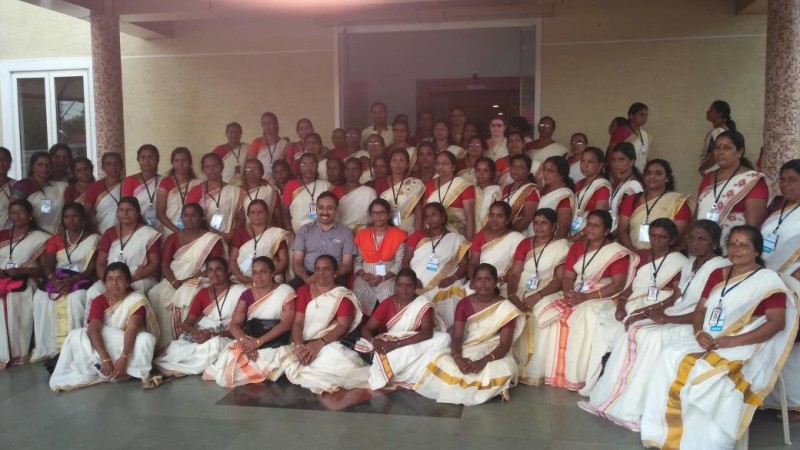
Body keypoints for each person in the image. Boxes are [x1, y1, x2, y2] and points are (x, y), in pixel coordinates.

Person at [640, 225, 797, 449]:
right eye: (732, 244)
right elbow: (700, 311)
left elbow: (776, 323)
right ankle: (662, 431)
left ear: (756, 251)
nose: (736, 249)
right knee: (669, 354)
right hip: (711, 335)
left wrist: (732, 341)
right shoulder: (718, 273)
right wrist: (699, 332)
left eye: (743, 245)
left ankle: (704, 440)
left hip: (747, 341)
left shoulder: (767, 280)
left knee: (705, 372)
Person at [579, 220, 729, 431]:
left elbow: (705, 310)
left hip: (694, 322)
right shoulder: (690, 263)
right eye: (692, 238)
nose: (695, 243)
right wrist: (647, 311)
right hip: (676, 313)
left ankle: (634, 409)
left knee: (650, 337)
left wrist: (666, 319)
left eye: (702, 239)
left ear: (714, 243)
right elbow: (675, 298)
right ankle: (609, 398)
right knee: (633, 329)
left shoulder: (720, 268)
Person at [580, 218, 687, 395]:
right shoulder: (641, 257)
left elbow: (676, 295)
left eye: (662, 237)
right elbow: (630, 287)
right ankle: (596, 382)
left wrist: (647, 311)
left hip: (659, 306)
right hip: (633, 303)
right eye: (653, 235)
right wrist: (620, 306)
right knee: (602, 322)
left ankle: (621, 387)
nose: (657, 240)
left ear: (672, 239)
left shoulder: (680, 261)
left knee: (627, 331)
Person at [537, 210, 636, 390]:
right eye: (588, 224)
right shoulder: (577, 247)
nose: (590, 229)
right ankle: (549, 371)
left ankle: (575, 375)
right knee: (544, 304)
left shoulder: (616, 252)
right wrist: (569, 294)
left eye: (596, 226)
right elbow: (568, 277)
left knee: (585, 314)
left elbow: (617, 285)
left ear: (607, 230)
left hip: (602, 295)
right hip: (576, 292)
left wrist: (585, 297)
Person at [414, 264, 524, 405]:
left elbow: (504, 344)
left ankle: (467, 389)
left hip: (492, 350)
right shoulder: (464, 304)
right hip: (469, 346)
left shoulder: (506, 307)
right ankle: (487, 389)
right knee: (441, 359)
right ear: (473, 283)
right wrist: (458, 358)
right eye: (479, 279)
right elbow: (457, 337)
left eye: (487, 279)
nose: (483, 283)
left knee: (504, 367)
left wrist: (483, 361)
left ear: (495, 282)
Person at [49, 262, 160, 392]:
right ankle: (105, 366)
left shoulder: (136, 300)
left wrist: (124, 357)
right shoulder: (99, 300)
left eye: (119, 279)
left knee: (146, 339)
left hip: (129, 345)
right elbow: (93, 328)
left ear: (127, 282)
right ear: (105, 283)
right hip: (104, 347)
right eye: (110, 279)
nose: (114, 284)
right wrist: (105, 357)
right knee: (76, 335)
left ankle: (129, 370)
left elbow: (132, 328)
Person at [278, 255, 369, 393]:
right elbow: (297, 323)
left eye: (326, 269)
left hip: (329, 342)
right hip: (303, 342)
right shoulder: (304, 290)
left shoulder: (342, 295)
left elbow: (343, 326)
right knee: (282, 356)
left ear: (335, 273)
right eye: (318, 269)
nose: (321, 273)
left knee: (338, 361)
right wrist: (299, 346)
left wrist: (318, 344)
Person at [203, 256, 297, 387]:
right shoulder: (247, 295)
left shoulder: (285, 291)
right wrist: (245, 343)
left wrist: (258, 342)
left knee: (257, 362)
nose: (258, 276)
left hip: (275, 341)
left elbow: (286, 324)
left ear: (272, 273)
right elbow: (234, 325)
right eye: (255, 272)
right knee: (229, 360)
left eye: (263, 271)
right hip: (250, 339)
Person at [506, 208, 571, 385]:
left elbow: (560, 279)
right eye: (536, 223)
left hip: (547, 288)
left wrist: (538, 295)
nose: (539, 226)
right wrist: (511, 294)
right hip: (519, 288)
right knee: (505, 309)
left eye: (544, 223)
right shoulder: (525, 243)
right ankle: (509, 364)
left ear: (554, 225)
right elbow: (515, 273)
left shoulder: (562, 247)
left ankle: (530, 368)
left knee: (538, 310)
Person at [356, 268, 450, 389]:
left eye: (408, 286)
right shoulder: (387, 303)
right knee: (399, 353)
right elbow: (366, 329)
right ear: (395, 286)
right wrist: (374, 341)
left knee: (444, 337)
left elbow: (427, 333)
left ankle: (398, 371)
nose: (403, 290)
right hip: (391, 343)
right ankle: (404, 370)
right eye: (400, 285)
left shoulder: (422, 304)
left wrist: (397, 344)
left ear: (415, 286)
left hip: (412, 343)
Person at [147, 203, 225, 349]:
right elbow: (165, 265)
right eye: (186, 215)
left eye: (194, 215)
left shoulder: (211, 239)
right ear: (181, 218)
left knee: (189, 295)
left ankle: (184, 340)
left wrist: (192, 279)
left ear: (201, 218)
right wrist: (174, 282)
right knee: (155, 294)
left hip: (201, 278)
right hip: (175, 278)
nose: (189, 219)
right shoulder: (173, 238)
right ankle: (162, 344)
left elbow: (216, 265)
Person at [153, 257, 247, 376]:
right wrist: (197, 333)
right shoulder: (203, 293)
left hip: (225, 336)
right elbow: (187, 324)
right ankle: (184, 365)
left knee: (214, 346)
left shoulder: (241, 292)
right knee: (176, 347)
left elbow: (241, 327)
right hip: (203, 334)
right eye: (210, 270)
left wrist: (211, 335)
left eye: (218, 269)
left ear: (227, 270)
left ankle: (181, 367)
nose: (214, 273)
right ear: (206, 273)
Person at [31, 203, 100, 361]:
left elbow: (91, 268)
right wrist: (54, 281)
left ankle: (74, 347)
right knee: (40, 298)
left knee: (76, 298)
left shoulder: (94, 239)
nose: (71, 220)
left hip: (81, 277)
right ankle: (49, 348)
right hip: (57, 277)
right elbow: (47, 265)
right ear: (62, 219)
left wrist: (73, 280)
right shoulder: (56, 239)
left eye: (75, 216)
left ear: (82, 218)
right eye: (67, 216)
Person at [696, 130, 768, 251]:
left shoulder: (752, 180)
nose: (720, 152)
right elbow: (697, 213)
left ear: (740, 152)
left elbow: (752, 226)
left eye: (727, 148)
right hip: (703, 245)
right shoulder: (708, 177)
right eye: (717, 148)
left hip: (734, 248)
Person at [0, 199, 50, 368]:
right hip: (2, 278)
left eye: (20, 212)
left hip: (27, 279)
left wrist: (23, 271)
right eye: (13, 213)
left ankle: (18, 353)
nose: (16, 216)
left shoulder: (40, 237)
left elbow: (44, 269)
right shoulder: (2, 235)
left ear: (30, 215)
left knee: (16, 296)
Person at [403, 203, 469, 328]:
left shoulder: (456, 239)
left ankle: (448, 330)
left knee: (454, 289)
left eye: (434, 215)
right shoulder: (417, 236)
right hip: (417, 282)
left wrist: (452, 278)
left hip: (444, 282)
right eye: (427, 216)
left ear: (443, 217)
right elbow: (406, 260)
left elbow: (464, 263)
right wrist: (412, 279)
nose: (430, 219)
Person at [87, 197, 162, 305]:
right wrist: (107, 280)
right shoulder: (109, 233)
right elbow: (100, 263)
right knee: (94, 291)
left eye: (129, 210)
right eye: (121, 210)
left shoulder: (149, 233)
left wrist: (132, 278)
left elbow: (154, 263)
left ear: (137, 213)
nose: (125, 213)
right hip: (112, 277)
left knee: (130, 294)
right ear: (117, 213)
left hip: (139, 278)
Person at [617, 159, 693, 251]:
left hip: (663, 255)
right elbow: (622, 230)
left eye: (658, 173)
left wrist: (651, 253)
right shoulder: (631, 199)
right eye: (648, 173)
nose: (652, 176)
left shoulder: (677, 202)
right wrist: (630, 248)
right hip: (633, 253)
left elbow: (676, 235)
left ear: (667, 178)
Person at [290, 192, 356, 289]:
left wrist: (328, 275)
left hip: (335, 276)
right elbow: (296, 262)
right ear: (316, 209)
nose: (325, 212)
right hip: (308, 275)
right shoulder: (304, 230)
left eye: (329, 208)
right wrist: (305, 277)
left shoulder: (346, 232)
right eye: (321, 208)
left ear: (336, 210)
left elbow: (347, 265)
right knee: (288, 290)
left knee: (344, 293)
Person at [353, 199, 407, 314]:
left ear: (388, 215)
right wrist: (363, 275)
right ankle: (362, 323)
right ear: (370, 215)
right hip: (365, 277)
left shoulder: (398, 235)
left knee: (388, 291)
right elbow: (357, 261)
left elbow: (399, 263)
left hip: (388, 277)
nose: (378, 216)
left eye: (381, 213)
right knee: (358, 289)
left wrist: (383, 278)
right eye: (374, 213)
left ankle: (385, 322)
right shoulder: (362, 235)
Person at [468, 202, 525, 297]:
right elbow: (473, 263)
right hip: (480, 280)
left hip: (504, 283)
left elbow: (516, 271)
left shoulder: (518, 239)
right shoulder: (480, 236)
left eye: (499, 216)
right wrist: (474, 280)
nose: (494, 220)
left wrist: (497, 281)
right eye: (492, 215)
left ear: (507, 220)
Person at [185, 152, 246, 241]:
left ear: (222, 167)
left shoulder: (234, 191)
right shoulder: (196, 191)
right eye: (207, 167)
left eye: (215, 166)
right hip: (202, 239)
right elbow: (189, 218)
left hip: (228, 239)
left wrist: (230, 234)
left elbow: (241, 218)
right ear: (203, 170)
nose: (211, 169)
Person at [230, 200, 290, 285]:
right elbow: (233, 260)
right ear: (248, 215)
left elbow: (283, 260)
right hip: (244, 277)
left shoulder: (276, 234)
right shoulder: (240, 233)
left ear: (267, 214)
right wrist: (239, 275)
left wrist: (270, 275)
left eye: (260, 212)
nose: (256, 215)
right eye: (253, 212)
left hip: (271, 277)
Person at [11, 151, 68, 234]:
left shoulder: (58, 187)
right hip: (30, 234)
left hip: (55, 234)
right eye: (40, 165)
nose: (44, 168)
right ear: (32, 167)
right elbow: (15, 213)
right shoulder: (22, 186)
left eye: (48, 165)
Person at [424, 151, 476, 240]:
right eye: (438, 163)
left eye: (445, 163)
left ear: (453, 167)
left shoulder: (463, 186)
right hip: (433, 235)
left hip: (457, 236)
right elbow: (424, 214)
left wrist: (469, 240)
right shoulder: (429, 185)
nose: (441, 167)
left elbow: (469, 217)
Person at [373, 148, 424, 234]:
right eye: (394, 160)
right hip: (387, 228)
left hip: (409, 228)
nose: (398, 164)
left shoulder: (415, 184)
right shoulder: (381, 183)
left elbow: (418, 214)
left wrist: (417, 235)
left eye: (401, 161)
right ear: (390, 163)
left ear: (407, 164)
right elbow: (377, 209)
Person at [155, 147, 201, 237]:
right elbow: (160, 213)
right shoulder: (166, 182)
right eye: (176, 161)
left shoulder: (198, 183)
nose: (180, 164)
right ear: (172, 162)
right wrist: (178, 232)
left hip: (193, 231)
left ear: (190, 162)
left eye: (184, 160)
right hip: (170, 231)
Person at [282, 153, 332, 234]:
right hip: (298, 231)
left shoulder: (326, 186)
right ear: (299, 168)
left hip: (322, 232)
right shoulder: (291, 185)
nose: (308, 168)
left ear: (317, 167)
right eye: (304, 164)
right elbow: (285, 212)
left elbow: (332, 210)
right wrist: (290, 231)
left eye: (312, 164)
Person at [571, 147, 612, 239]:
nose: (585, 165)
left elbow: (599, 220)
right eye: (583, 161)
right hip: (574, 231)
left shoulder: (602, 187)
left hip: (590, 235)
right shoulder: (579, 184)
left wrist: (577, 237)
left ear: (600, 165)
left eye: (590, 162)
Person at [120, 144, 161, 229]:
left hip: (161, 227)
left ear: (157, 159)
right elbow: (126, 207)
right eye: (143, 157)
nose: (147, 160)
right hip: (136, 227)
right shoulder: (130, 181)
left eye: (150, 157)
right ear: (138, 160)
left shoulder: (163, 181)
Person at [332, 158, 377, 232]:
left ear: (361, 172)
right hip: (339, 232)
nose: (351, 172)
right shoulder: (335, 191)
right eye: (348, 169)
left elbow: (374, 217)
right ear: (344, 171)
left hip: (362, 233)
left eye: (355, 169)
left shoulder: (370, 192)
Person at [84, 152, 123, 234]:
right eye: (108, 164)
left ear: (121, 166)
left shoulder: (127, 185)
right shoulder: (95, 187)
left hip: (123, 232)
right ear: (103, 167)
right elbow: (86, 213)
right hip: (100, 232)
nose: (112, 167)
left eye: (116, 163)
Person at [608, 142, 644, 231]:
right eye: (614, 159)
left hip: (621, 232)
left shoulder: (633, 185)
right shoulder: (617, 182)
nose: (616, 164)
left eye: (621, 160)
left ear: (632, 161)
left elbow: (627, 217)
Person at [539, 156, 575, 239]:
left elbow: (563, 228)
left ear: (561, 174)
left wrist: (553, 244)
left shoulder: (564, 195)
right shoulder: (545, 189)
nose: (545, 174)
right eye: (544, 170)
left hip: (550, 241)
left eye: (550, 171)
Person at [501, 154, 539, 235]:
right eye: (513, 166)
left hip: (519, 234)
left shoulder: (531, 190)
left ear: (528, 171)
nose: (516, 170)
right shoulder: (506, 188)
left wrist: (510, 234)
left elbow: (527, 218)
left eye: (521, 167)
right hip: (502, 231)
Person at [608, 102, 651, 172]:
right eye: (641, 115)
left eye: (646, 115)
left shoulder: (644, 134)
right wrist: (615, 174)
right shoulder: (621, 131)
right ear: (631, 116)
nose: (644, 118)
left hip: (640, 173)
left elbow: (643, 155)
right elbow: (611, 154)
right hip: (622, 173)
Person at [699, 100, 736, 175]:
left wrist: (702, 168)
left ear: (719, 113)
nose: (707, 112)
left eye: (711, 110)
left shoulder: (719, 131)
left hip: (716, 171)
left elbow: (718, 153)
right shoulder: (720, 130)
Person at [241, 158, 280, 227]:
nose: (251, 172)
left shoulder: (270, 190)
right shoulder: (239, 191)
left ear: (262, 172)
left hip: (267, 229)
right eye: (248, 169)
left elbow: (277, 214)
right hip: (246, 230)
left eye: (255, 169)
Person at [247, 112, 288, 176]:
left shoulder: (284, 143)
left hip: (278, 178)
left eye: (269, 123)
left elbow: (285, 165)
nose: (267, 126)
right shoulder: (256, 142)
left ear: (276, 124)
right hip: (259, 178)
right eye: (264, 123)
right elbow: (250, 164)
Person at [212, 121, 249, 186]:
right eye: (231, 132)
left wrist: (247, 175)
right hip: (223, 185)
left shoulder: (248, 148)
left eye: (237, 132)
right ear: (226, 133)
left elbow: (252, 166)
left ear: (241, 133)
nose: (234, 134)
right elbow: (213, 168)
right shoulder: (219, 150)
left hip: (243, 185)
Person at [474, 157, 503, 231]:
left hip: (485, 231)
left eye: (485, 171)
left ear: (492, 174)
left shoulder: (494, 191)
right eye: (478, 170)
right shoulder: (473, 189)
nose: (481, 174)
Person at [0, 147, 16, 229]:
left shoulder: (17, 186)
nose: (1, 163)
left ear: (10, 163)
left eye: (4, 160)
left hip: (9, 233)